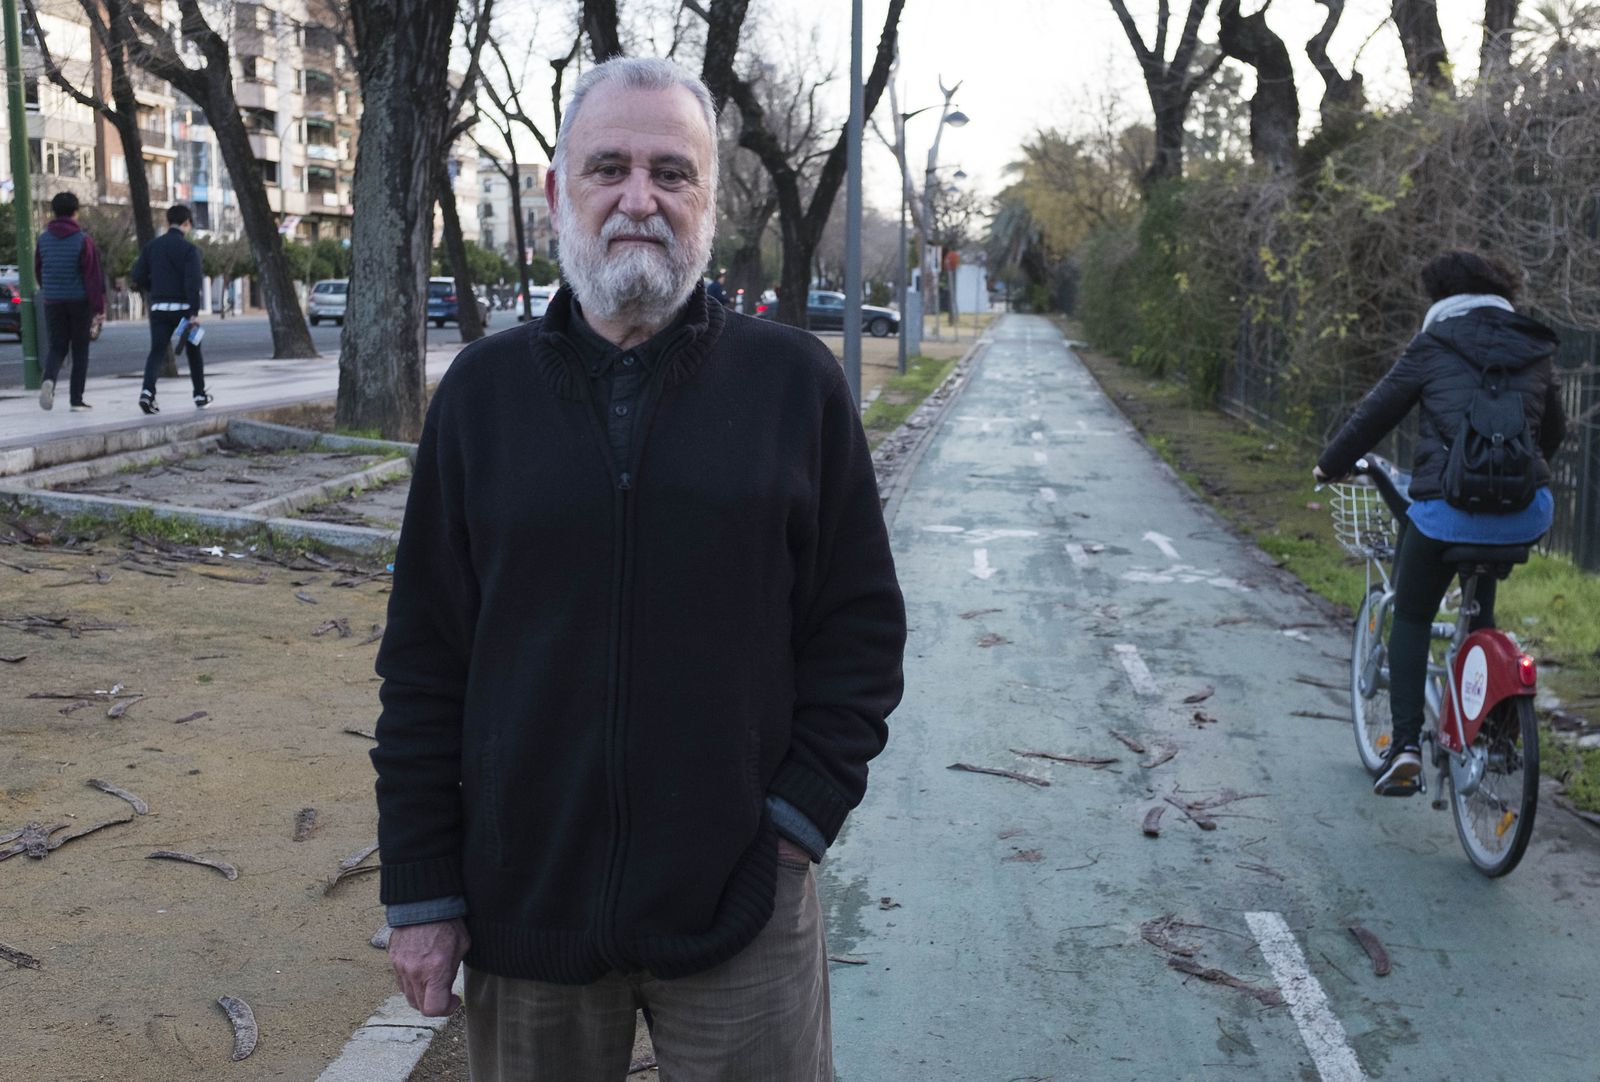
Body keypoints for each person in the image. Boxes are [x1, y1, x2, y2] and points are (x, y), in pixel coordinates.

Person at [370, 56, 906, 1081]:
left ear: (711, 198)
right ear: (555, 191)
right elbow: (425, 660)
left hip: (743, 906)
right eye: (608, 167)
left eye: (671, 172)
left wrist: (795, 825)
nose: (639, 198)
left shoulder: (794, 387)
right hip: (525, 911)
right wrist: (422, 888)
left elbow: (861, 631)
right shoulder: (481, 397)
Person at [1314, 250, 1565, 796]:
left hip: (1446, 513)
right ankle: (1491, 731)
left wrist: (1330, 465)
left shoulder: (1433, 344)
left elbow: (1377, 412)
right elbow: (1552, 434)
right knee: (1479, 608)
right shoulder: (1535, 346)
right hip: (1526, 513)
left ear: (1442, 299)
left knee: (1411, 613)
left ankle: (1404, 747)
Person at [130, 204, 211, 414]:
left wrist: (154, 289)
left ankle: (147, 392)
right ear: (187, 223)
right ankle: (200, 395)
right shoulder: (190, 250)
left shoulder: (152, 247)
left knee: (157, 351)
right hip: (184, 310)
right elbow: (193, 282)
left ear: (169, 222)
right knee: (194, 351)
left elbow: (137, 275)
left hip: (159, 308)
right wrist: (194, 312)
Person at [35, 191, 106, 412]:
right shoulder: (83, 240)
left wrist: (49, 289)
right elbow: (92, 276)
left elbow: (39, 270)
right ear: (76, 212)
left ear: (54, 212)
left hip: (53, 301)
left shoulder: (43, 239)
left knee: (57, 347)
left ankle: (49, 380)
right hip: (79, 302)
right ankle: (76, 400)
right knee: (80, 349)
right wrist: (99, 306)